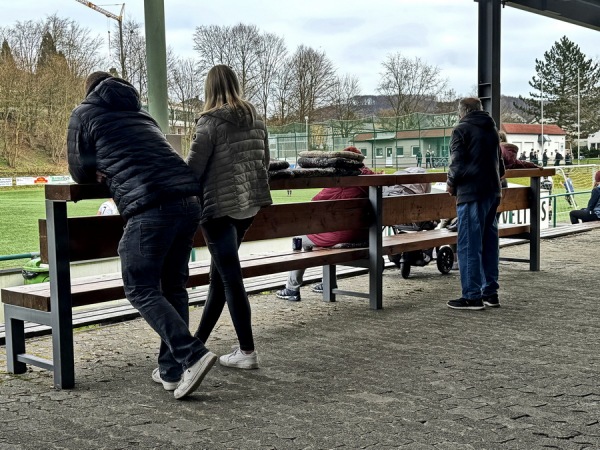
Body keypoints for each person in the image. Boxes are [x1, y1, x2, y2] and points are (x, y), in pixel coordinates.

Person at [67, 71, 217, 399]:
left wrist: (96, 171)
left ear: (89, 90)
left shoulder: (83, 114)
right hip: (187, 201)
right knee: (173, 285)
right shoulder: (141, 114)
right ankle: (172, 368)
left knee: (139, 286)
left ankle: (191, 354)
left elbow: (78, 170)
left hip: (150, 204)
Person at [186, 65, 272, 370]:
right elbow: (265, 162)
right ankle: (195, 347)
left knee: (229, 279)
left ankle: (247, 351)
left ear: (209, 89)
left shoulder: (208, 124)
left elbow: (193, 171)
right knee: (221, 279)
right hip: (248, 207)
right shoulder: (257, 121)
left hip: (218, 209)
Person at [276, 154, 375, 302]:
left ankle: (292, 288)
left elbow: (316, 201)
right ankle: (327, 282)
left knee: (300, 240)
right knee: (325, 239)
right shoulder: (370, 181)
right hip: (365, 235)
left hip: (343, 235)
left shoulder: (342, 181)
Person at [446, 97, 505, 310]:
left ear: (462, 111)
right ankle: (491, 292)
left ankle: (472, 296)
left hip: (471, 193)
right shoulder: (492, 129)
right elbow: (501, 165)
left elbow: (457, 162)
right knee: (489, 242)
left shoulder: (461, 129)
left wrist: (451, 183)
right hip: (492, 192)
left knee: (469, 244)